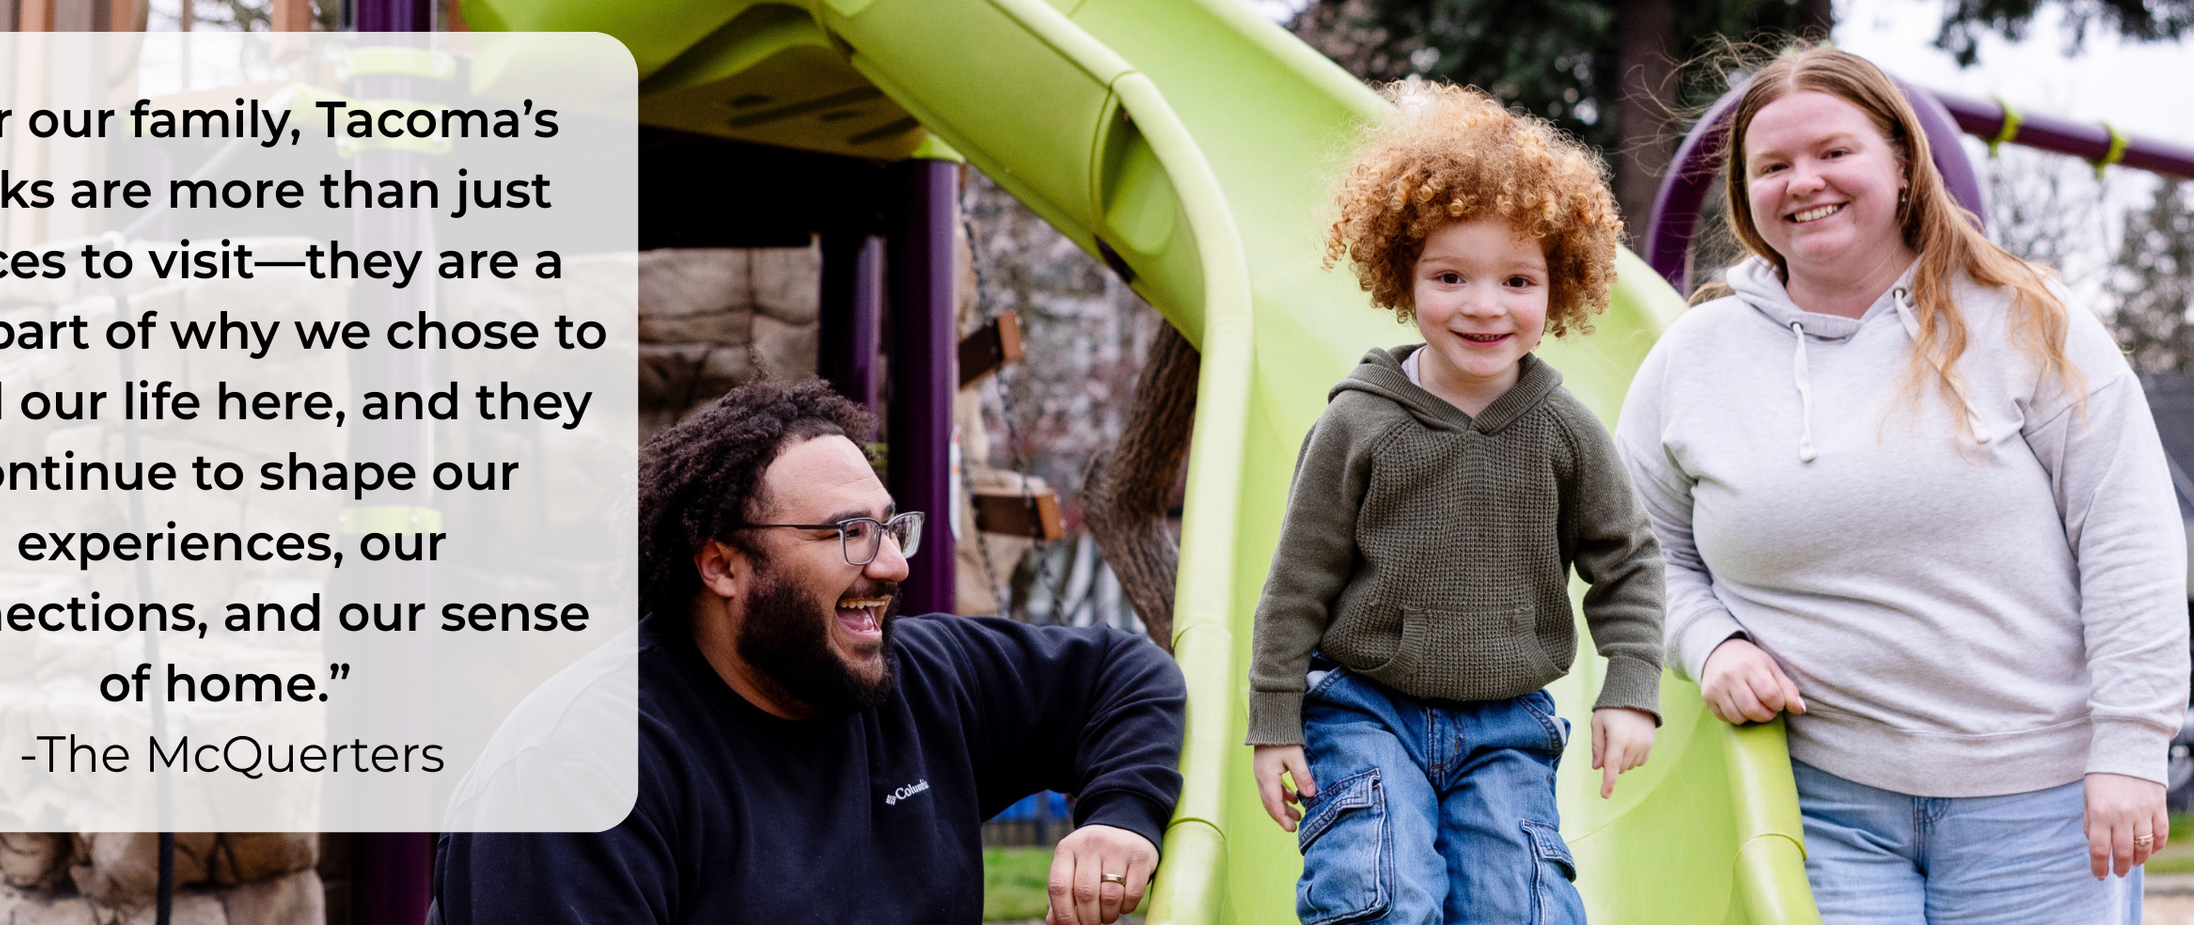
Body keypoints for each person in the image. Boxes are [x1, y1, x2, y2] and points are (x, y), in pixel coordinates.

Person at [1615, 45, 2189, 924]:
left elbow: (2132, 540)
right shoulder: (1694, 355)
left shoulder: (2028, 316)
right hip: (1819, 799)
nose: (1804, 181)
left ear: (1901, 162)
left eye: (1834, 152)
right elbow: (1637, 552)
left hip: (2044, 806)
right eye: (1772, 165)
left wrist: (2133, 747)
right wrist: (1711, 644)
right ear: (1746, 193)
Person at [433, 378, 1187, 925]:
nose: (893, 563)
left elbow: (1126, 678)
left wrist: (1121, 815)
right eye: (847, 533)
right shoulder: (580, 772)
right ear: (720, 563)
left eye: (892, 527)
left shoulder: (917, 679)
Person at [1246, 81, 1665, 925]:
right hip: (1365, 708)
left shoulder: (1564, 431)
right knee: (1382, 891)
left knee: (1521, 906)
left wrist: (1629, 686)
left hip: (1507, 724)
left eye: (1517, 279)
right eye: (1451, 276)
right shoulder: (1359, 423)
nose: (1484, 305)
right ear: (1405, 274)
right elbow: (1297, 582)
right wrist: (1275, 719)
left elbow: (1628, 564)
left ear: (1560, 286)